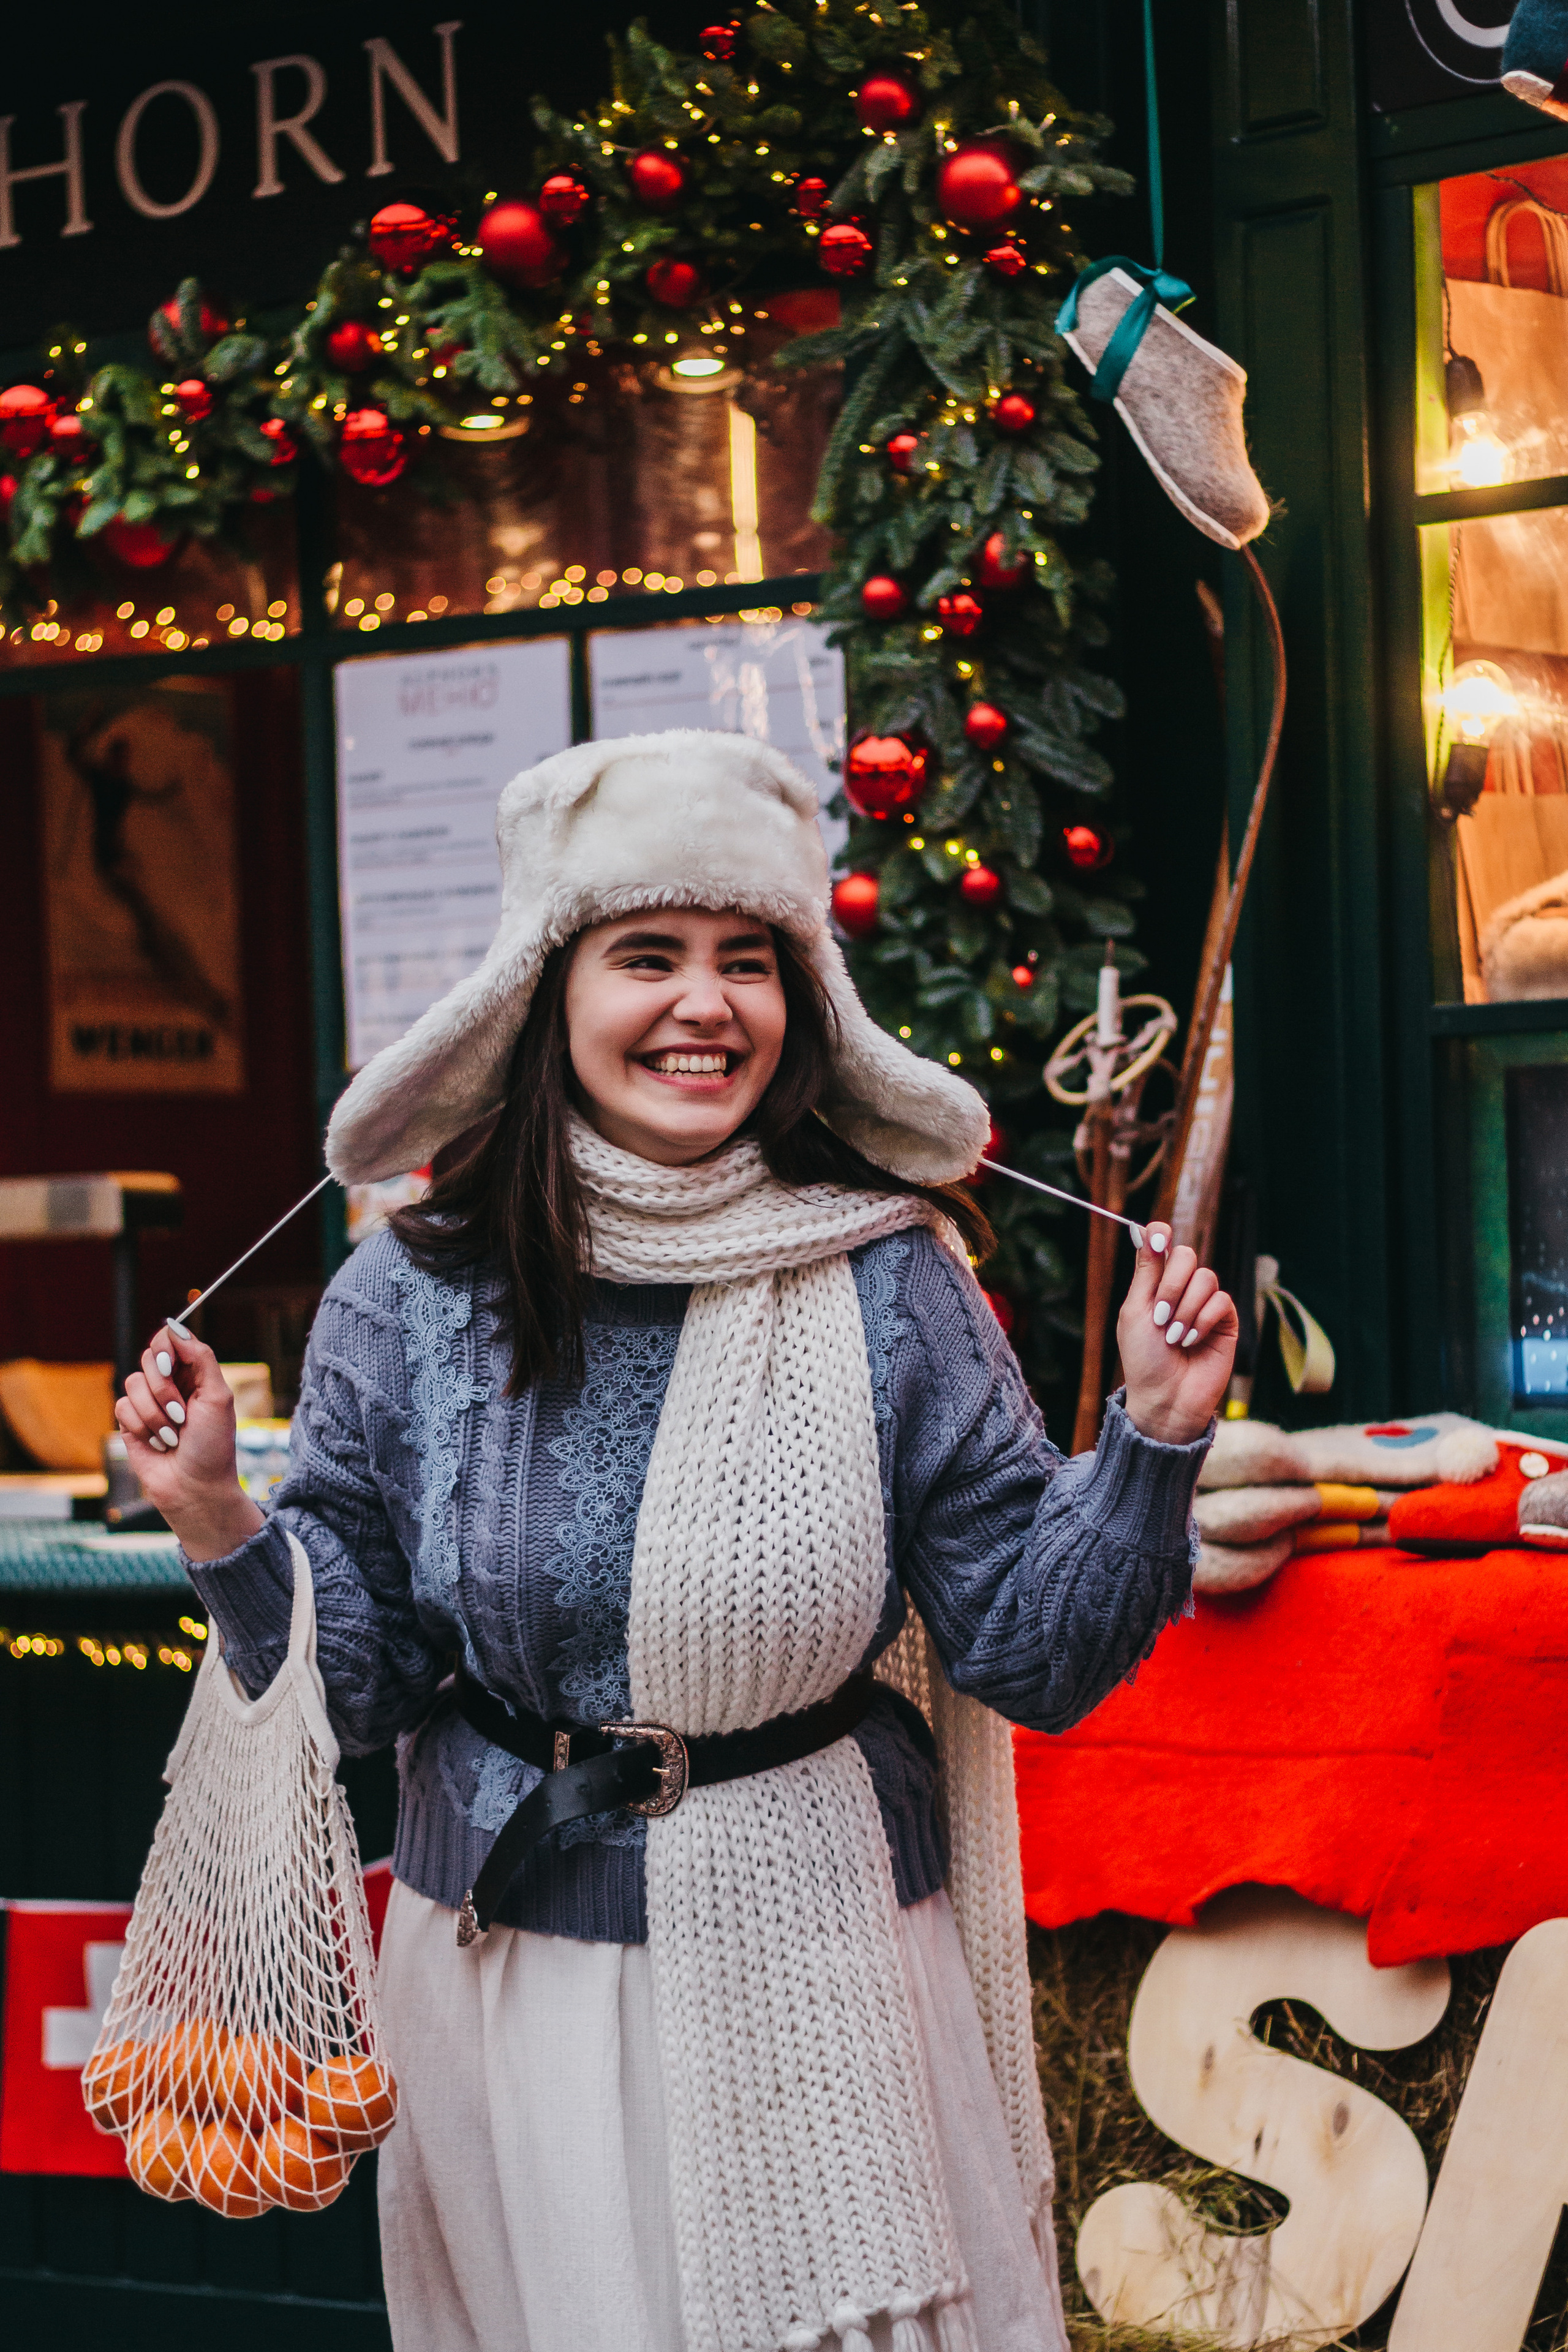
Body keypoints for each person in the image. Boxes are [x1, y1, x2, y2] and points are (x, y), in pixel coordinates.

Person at [117, 731, 1237, 2352]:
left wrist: (1154, 1435)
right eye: (649, 955)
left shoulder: (891, 1281)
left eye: (749, 962)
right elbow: (351, 1696)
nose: (705, 1004)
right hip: (510, 1987)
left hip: (828, 1963)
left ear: (804, 1006)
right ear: (546, 995)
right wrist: (221, 1522)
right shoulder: (410, 1295)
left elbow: (1032, 1653)